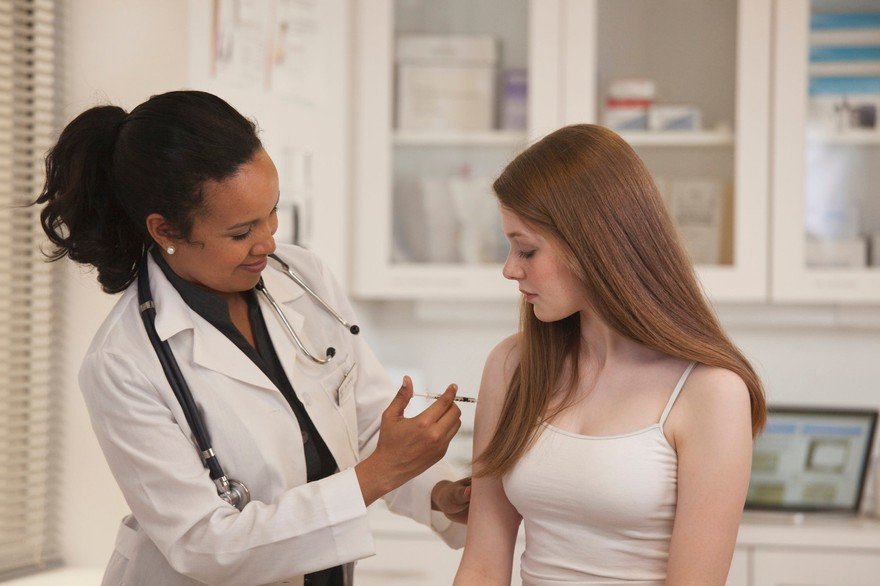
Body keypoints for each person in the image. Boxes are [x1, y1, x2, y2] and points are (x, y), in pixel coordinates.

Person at [34, 90, 470, 586]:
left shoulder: (303, 279)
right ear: (165, 230)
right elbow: (204, 545)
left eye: (272, 213)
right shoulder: (123, 361)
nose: (268, 242)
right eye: (241, 232)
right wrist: (377, 477)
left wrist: (440, 492)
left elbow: (367, 423)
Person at [455, 124, 766, 585]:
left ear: (589, 245)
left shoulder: (710, 392)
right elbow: (482, 565)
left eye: (526, 249)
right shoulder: (513, 367)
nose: (509, 268)